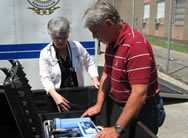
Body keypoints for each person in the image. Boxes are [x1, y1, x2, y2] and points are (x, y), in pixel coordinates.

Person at [82, 1, 165, 137]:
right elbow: (106, 76)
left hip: (143, 110)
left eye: (96, 32)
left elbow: (139, 93)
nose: (94, 37)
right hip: (122, 107)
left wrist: (117, 129)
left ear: (108, 24)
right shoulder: (112, 44)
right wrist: (98, 105)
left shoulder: (135, 46)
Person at [39, 16, 100, 112]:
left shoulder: (77, 46)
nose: (60, 41)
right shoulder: (45, 53)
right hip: (58, 96)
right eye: (57, 38)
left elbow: (89, 63)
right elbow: (45, 78)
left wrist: (94, 78)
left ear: (68, 34)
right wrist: (55, 96)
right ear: (50, 35)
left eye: (64, 37)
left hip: (77, 94)